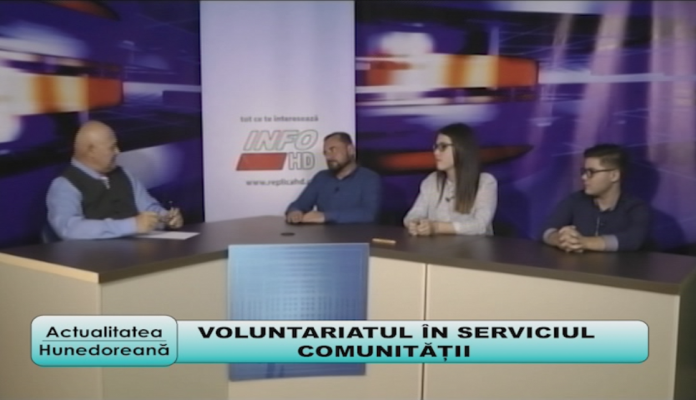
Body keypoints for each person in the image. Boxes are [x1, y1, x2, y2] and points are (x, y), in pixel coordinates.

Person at [46, 120, 183, 240]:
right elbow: (69, 228)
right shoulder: (64, 185)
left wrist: (165, 217)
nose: (117, 151)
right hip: (94, 258)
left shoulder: (124, 174)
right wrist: (131, 225)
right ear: (91, 151)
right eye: (112, 147)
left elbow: (148, 207)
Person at [542, 144, 651, 252]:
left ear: (614, 175)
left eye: (591, 172)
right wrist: (560, 239)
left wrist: (583, 242)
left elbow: (634, 240)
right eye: (584, 171)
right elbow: (546, 230)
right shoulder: (575, 200)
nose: (584, 177)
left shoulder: (636, 207)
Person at [403, 123, 497, 236]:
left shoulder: (485, 182)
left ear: (461, 149)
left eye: (443, 147)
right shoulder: (432, 181)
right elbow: (414, 214)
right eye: (436, 147)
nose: (436, 152)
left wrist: (437, 227)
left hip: (473, 247)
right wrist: (415, 223)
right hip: (436, 247)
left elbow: (480, 225)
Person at [285, 132, 381, 224]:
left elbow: (369, 214)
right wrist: (295, 212)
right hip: (323, 235)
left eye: (333, 150)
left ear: (350, 150)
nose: (328, 157)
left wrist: (326, 217)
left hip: (358, 235)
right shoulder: (321, 177)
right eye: (325, 153)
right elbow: (299, 205)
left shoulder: (370, 178)